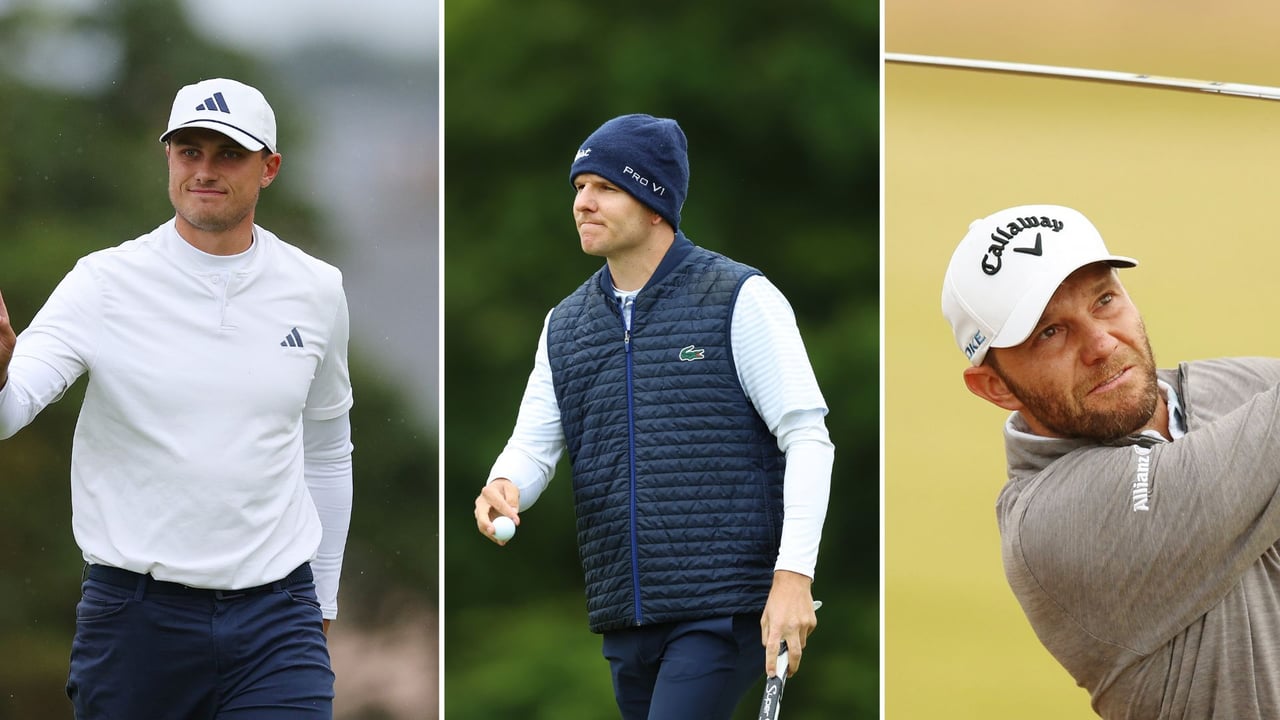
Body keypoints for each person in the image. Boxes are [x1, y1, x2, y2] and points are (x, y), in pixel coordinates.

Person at [0, 77, 354, 718]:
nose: (205, 170)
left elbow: (327, 451)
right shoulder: (102, 282)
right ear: (168, 157)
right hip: (134, 623)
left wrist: (321, 606)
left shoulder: (317, 289)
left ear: (268, 168)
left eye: (227, 154)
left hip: (279, 620)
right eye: (189, 151)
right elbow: (9, 410)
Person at [472, 113, 834, 720]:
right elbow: (533, 448)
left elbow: (807, 438)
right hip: (625, 617)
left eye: (605, 188)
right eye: (579, 187)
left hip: (722, 609)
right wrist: (504, 485)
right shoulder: (566, 325)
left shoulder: (740, 298)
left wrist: (793, 577)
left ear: (654, 203)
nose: (583, 203)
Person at [942, 203, 1280, 719]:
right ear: (994, 386)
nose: (1100, 343)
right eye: (1049, 333)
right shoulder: (1052, 527)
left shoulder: (1231, 388)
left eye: (1104, 300)